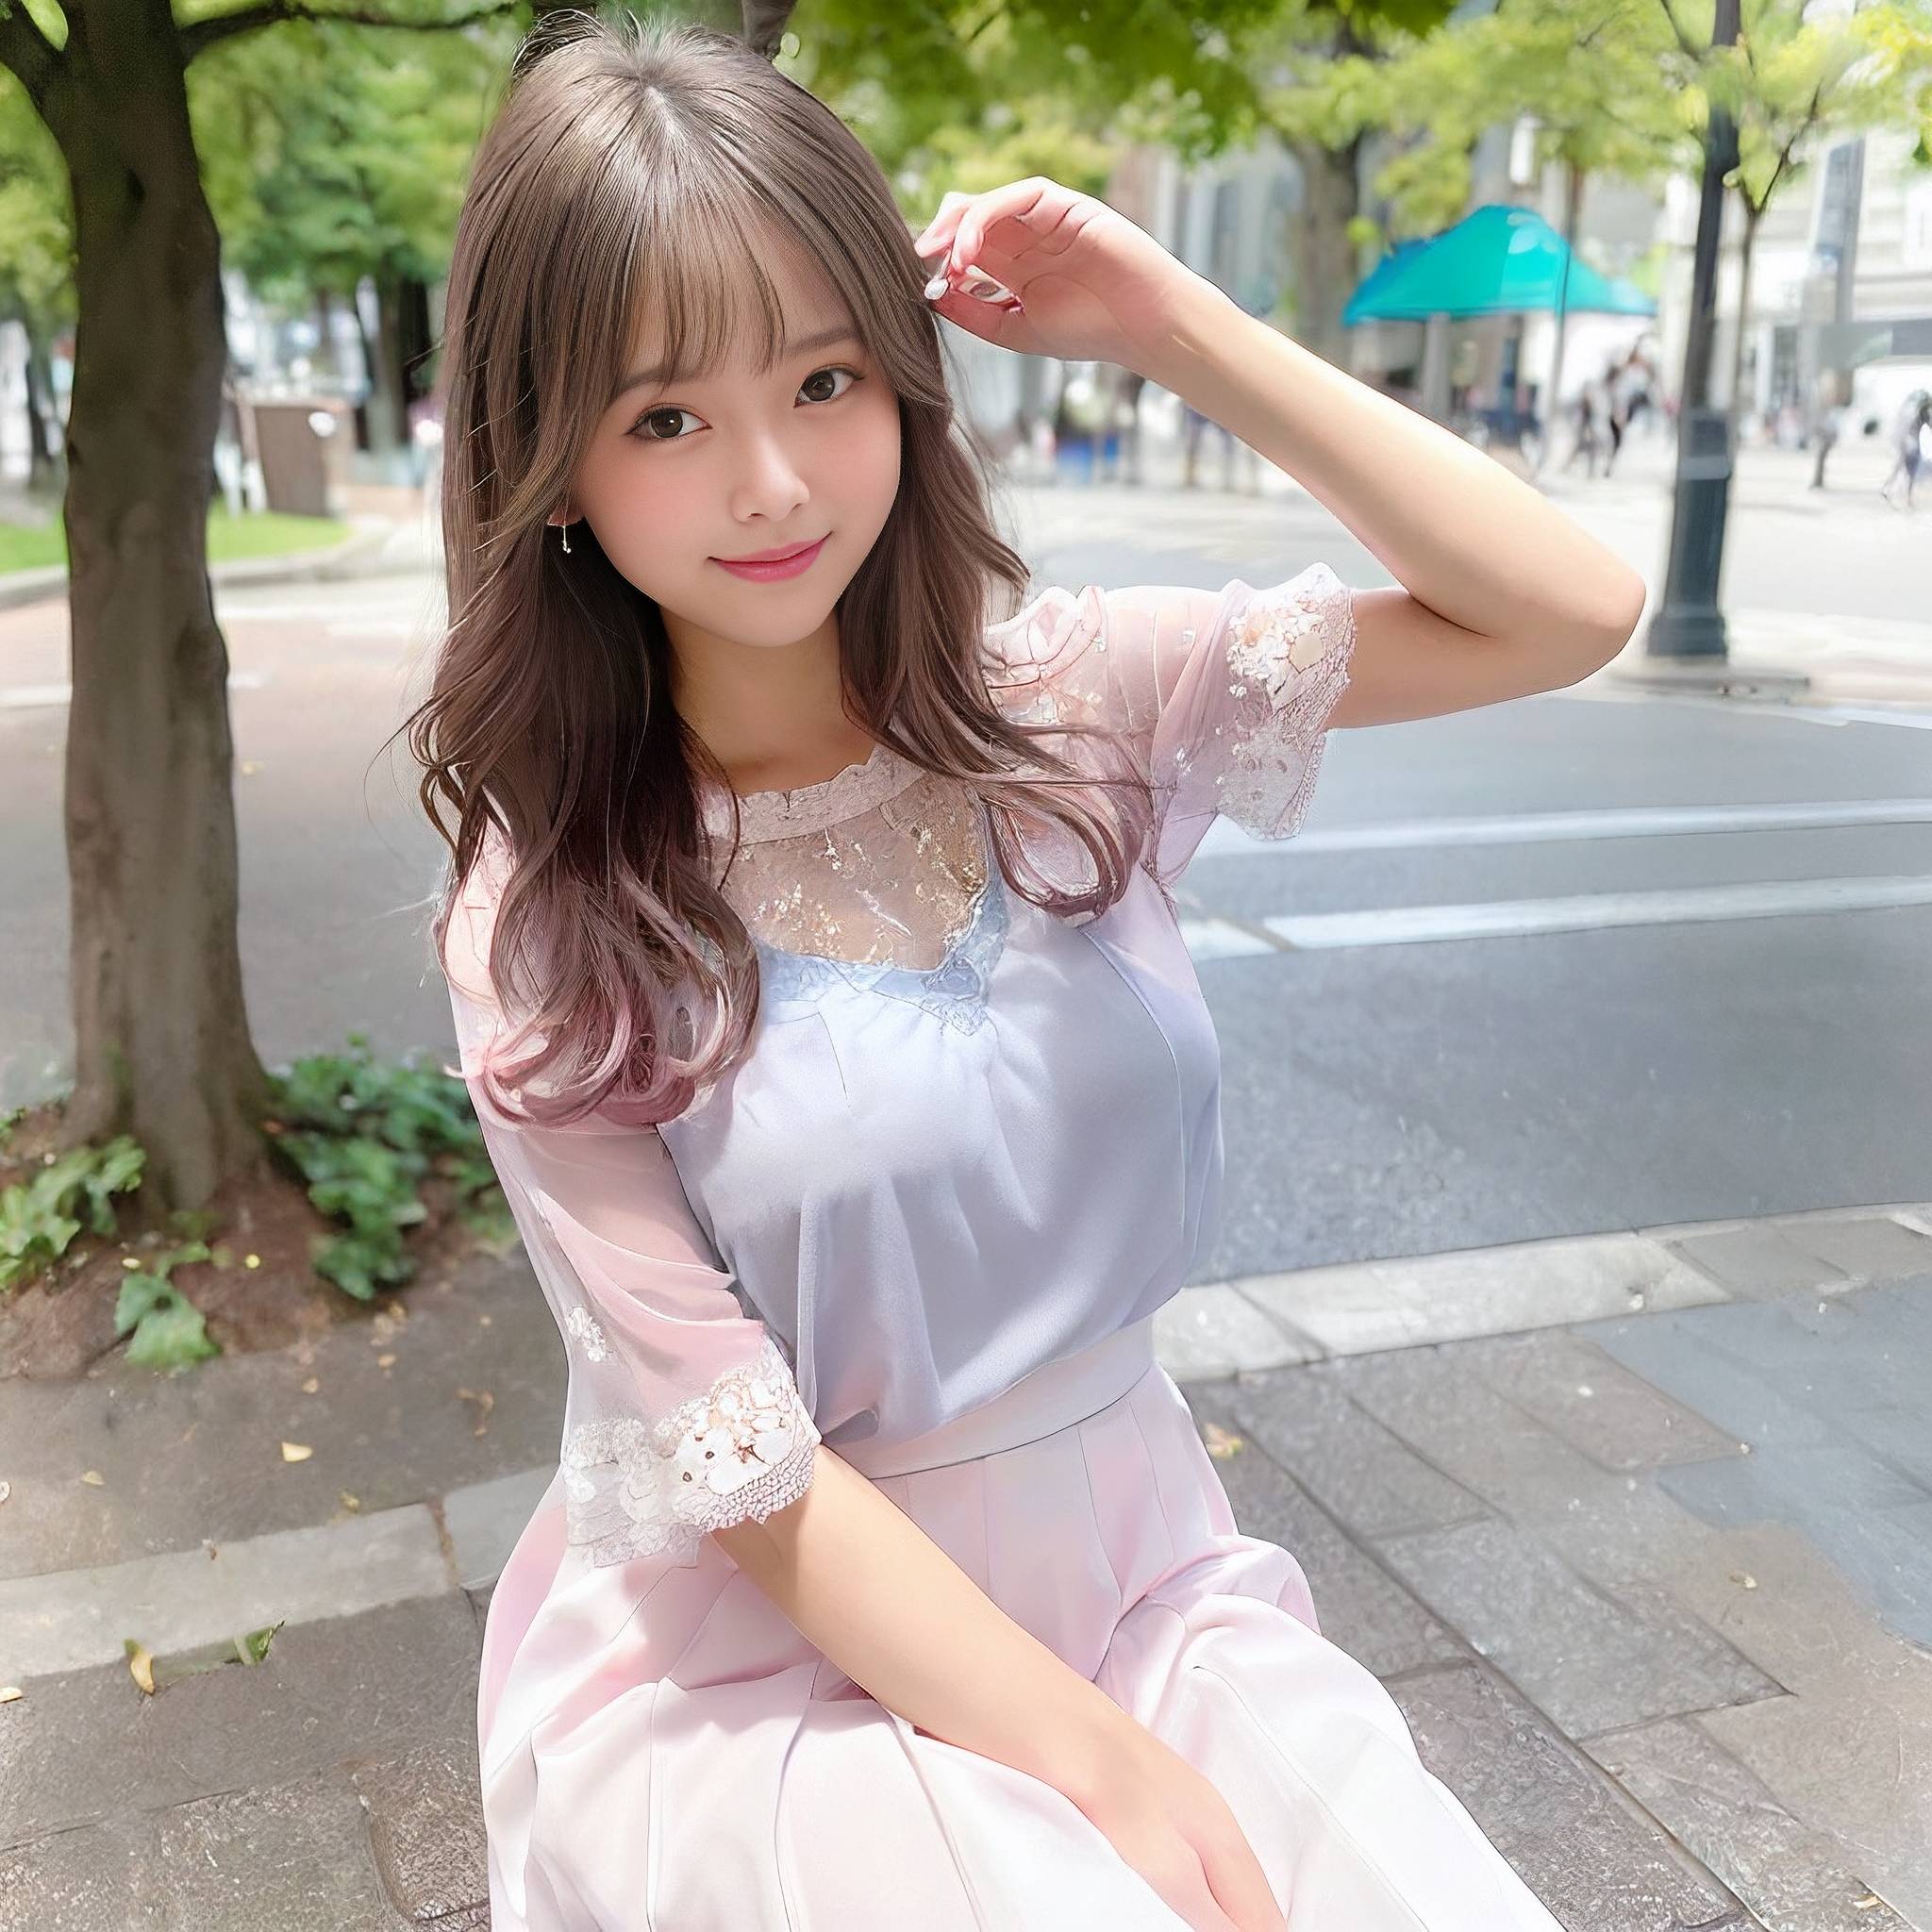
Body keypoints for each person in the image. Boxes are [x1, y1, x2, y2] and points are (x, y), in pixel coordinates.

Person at [408, 15, 1643, 1928]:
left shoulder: (1074, 708)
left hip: (1148, 1583)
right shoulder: (558, 904)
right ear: (550, 464)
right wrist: (1094, 1765)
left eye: (824, 379)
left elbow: (1566, 607)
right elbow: (742, 1469)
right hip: (768, 1672)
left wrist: (1167, 320)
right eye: (664, 417)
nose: (767, 480)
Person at [1879, 388, 1932, 508]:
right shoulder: (1922, 414)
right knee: (1910, 471)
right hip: (1912, 445)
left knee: (1900, 468)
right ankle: (1905, 497)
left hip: (1905, 443)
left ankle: (1888, 489)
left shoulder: (1909, 412)